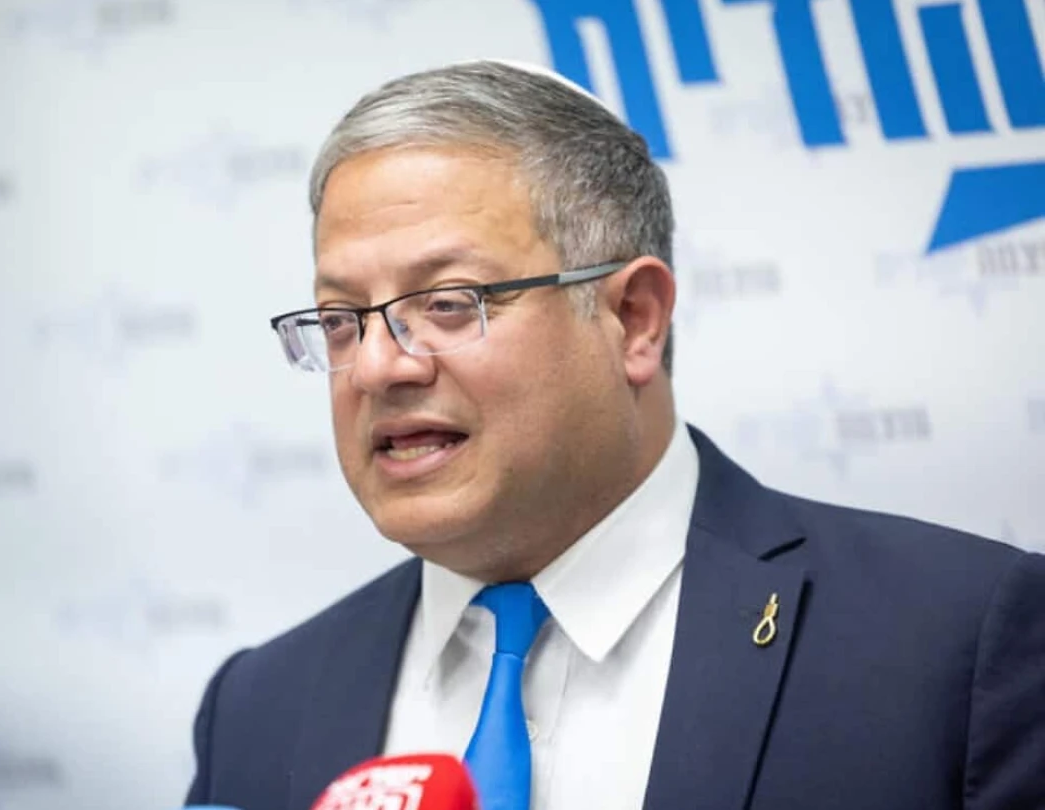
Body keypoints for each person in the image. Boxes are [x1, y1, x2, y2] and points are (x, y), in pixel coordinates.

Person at [183, 60, 1045, 810]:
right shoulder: (260, 705)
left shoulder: (956, 647)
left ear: (633, 318)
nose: (376, 368)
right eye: (341, 320)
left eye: (448, 303)